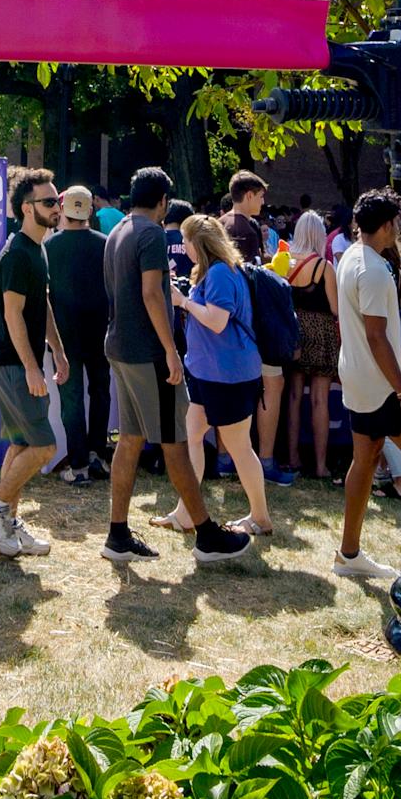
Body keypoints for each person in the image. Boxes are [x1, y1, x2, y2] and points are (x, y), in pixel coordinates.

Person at [99, 168, 249, 566]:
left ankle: (117, 534)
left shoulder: (117, 233)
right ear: (164, 201)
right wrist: (169, 349)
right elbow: (151, 293)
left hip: (120, 347)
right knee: (176, 443)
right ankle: (207, 533)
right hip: (147, 352)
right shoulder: (149, 234)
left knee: (130, 439)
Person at [0, 168, 62, 556]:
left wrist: (57, 349)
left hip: (17, 362)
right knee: (43, 448)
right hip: (11, 364)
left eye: (56, 201)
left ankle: (4, 527)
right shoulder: (16, 254)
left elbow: (41, 304)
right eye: (48, 202)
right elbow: (12, 315)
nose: (57, 207)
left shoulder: (38, 248)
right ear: (27, 208)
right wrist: (30, 366)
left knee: (21, 443)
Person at [334, 189, 401, 582]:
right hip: (381, 386)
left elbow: (377, 332)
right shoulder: (376, 270)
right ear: (386, 226)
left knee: (363, 460)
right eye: (395, 223)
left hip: (357, 378)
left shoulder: (349, 257)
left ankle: (348, 552)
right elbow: (376, 335)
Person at [176, 212, 273, 537]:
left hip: (227, 375)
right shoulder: (217, 270)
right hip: (210, 373)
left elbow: (217, 321)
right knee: (192, 436)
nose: (183, 246)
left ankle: (260, 517)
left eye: (186, 240)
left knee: (239, 447)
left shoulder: (219, 273)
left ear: (198, 243)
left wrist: (183, 302)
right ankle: (185, 512)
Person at [46, 182, 111, 482]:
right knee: (100, 390)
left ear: (63, 210)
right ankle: (98, 452)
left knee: (70, 397)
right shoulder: (104, 243)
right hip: (100, 330)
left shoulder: (49, 247)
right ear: (90, 211)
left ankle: (79, 463)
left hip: (63, 334)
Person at [281, 209, 341, 481]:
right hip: (322, 332)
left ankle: (292, 459)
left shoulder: (284, 262)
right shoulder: (324, 267)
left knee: (293, 398)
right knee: (320, 400)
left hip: (294, 332)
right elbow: (336, 308)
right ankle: (320, 465)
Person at [222, 173, 269, 266]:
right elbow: (252, 275)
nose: (263, 202)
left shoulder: (218, 224)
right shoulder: (248, 232)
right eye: (261, 196)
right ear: (250, 195)